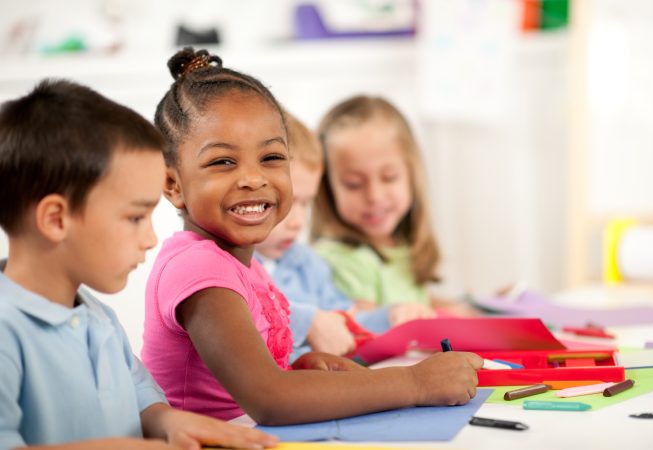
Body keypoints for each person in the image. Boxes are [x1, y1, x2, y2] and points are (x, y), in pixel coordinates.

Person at [141, 47, 483, 426]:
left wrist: (299, 370)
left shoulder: (241, 263)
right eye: (223, 162)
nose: (254, 178)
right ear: (172, 184)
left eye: (271, 157)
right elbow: (269, 399)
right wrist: (415, 382)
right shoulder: (198, 268)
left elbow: (262, 383)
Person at [0, 80, 277, 449]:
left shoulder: (97, 317)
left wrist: (170, 423)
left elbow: (143, 400)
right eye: (135, 218)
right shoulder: (7, 333)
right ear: (56, 219)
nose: (149, 239)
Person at [312, 95, 479, 323]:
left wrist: (469, 306)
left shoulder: (399, 245)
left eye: (389, 178)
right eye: (354, 184)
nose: (374, 196)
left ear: (412, 175)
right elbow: (362, 329)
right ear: (328, 189)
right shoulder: (340, 259)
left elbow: (417, 301)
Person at [254, 111, 395, 362]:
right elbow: (245, 317)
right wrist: (305, 322)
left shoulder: (308, 265)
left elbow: (344, 321)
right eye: (284, 203)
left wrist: (390, 317)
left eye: (305, 203)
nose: (298, 222)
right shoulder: (232, 268)